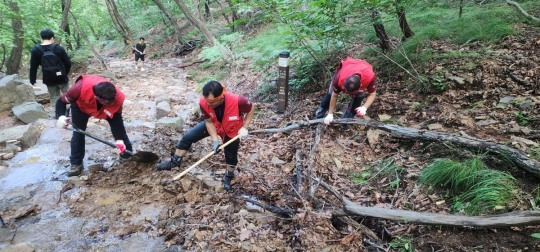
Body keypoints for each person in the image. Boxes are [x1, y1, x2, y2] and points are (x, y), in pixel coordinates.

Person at [155, 81, 255, 191]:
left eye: (211, 102)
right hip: (214, 123)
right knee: (188, 137)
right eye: (207, 101)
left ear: (221, 98)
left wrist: (245, 127)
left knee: (231, 155)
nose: (208, 104)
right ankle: (175, 162)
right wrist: (215, 140)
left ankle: (229, 176)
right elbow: (208, 122)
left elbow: (251, 109)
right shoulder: (204, 102)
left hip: (232, 128)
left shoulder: (238, 100)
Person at [55, 75, 133, 176]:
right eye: (108, 102)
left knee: (121, 133)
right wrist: (61, 116)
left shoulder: (118, 97)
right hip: (81, 106)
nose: (111, 103)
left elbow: (117, 121)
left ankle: (127, 155)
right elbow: (61, 102)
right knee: (78, 132)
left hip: (105, 111)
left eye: (112, 100)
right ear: (96, 97)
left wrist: (119, 140)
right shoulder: (78, 89)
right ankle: (76, 163)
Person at [314, 57, 377, 124]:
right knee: (330, 95)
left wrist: (364, 107)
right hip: (348, 67)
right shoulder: (339, 78)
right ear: (345, 82)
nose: (346, 93)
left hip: (363, 68)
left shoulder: (369, 77)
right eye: (346, 90)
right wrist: (330, 114)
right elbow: (334, 95)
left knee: (358, 99)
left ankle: (346, 121)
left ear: (360, 86)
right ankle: (318, 116)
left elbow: (372, 94)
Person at [29, 28, 72, 109]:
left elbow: (33, 67)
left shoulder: (36, 50)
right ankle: (70, 114)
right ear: (52, 37)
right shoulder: (59, 48)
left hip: (48, 78)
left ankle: (58, 115)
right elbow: (68, 63)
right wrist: (64, 73)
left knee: (54, 97)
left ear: (41, 38)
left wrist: (32, 80)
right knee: (68, 95)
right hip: (61, 77)